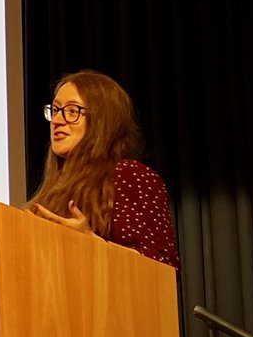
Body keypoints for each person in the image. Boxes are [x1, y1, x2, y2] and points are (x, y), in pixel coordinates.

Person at [27, 69, 180, 270]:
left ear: (102, 121)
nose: (57, 121)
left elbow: (161, 266)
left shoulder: (130, 175)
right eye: (55, 110)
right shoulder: (50, 192)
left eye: (72, 111)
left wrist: (92, 245)